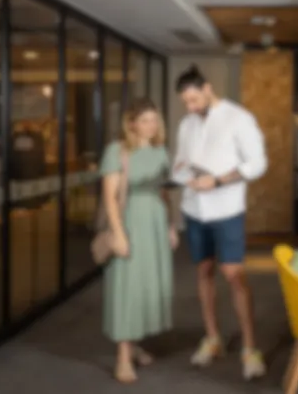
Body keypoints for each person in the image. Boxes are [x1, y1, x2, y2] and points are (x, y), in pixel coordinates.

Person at [171, 65, 268, 380]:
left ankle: (250, 348)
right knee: (203, 271)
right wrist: (185, 175)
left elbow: (257, 163)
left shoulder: (238, 118)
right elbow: (178, 165)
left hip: (226, 210)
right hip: (194, 210)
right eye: (186, 102)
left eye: (194, 100)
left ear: (208, 89)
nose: (190, 107)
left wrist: (217, 180)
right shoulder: (186, 124)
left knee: (233, 274)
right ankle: (212, 338)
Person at [100, 98, 178, 383]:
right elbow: (110, 197)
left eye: (154, 120)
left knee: (147, 285)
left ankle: (134, 345)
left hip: (155, 222)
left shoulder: (160, 151)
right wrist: (119, 233)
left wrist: (170, 226)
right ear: (131, 123)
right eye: (145, 120)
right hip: (130, 221)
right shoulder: (117, 150)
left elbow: (163, 193)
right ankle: (123, 357)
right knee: (128, 287)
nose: (151, 125)